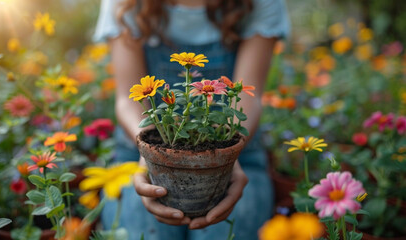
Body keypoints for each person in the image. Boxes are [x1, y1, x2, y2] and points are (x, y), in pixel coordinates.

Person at [93, 0, 290, 239]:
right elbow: (127, 97)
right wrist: (151, 154)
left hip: (240, 160)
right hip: (136, 158)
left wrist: (226, 156)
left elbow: (249, 94)